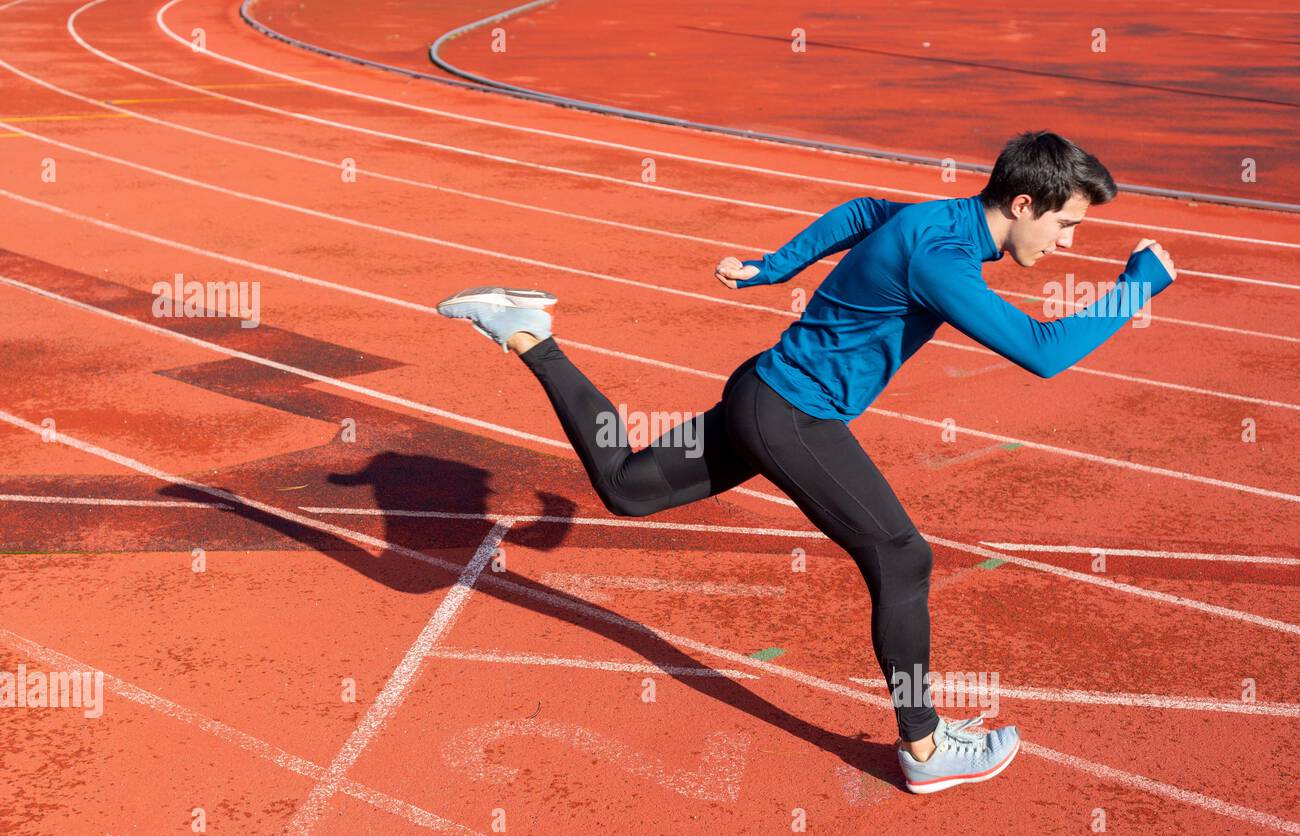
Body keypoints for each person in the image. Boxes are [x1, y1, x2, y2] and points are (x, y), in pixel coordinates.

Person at [435, 130, 1176, 794]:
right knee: (902, 556)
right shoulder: (943, 256)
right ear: (1023, 202)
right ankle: (923, 746)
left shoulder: (938, 217)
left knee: (628, 489)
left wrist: (771, 268)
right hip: (792, 417)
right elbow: (1042, 354)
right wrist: (1140, 284)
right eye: (1067, 224)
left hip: (765, 396)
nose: (1070, 243)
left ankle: (525, 329)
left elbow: (858, 214)